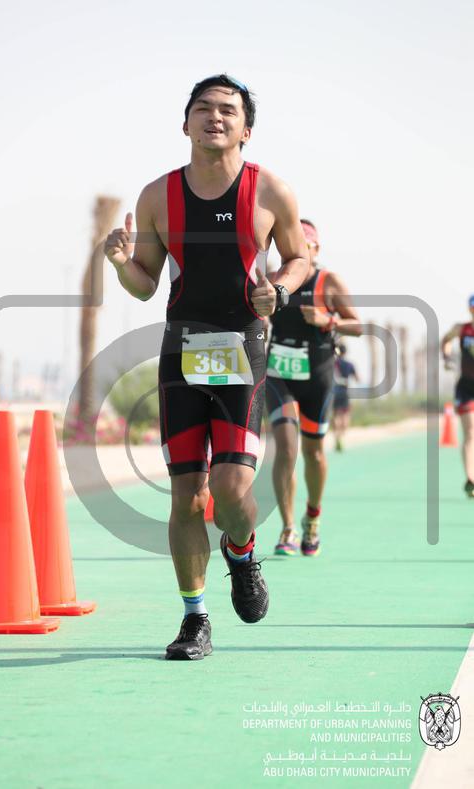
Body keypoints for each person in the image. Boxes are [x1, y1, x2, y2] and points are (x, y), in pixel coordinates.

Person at [105, 74, 310, 660]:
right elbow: (145, 283)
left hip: (244, 346)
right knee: (187, 497)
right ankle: (195, 618)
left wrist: (280, 289)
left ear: (246, 129)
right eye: (203, 109)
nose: (214, 117)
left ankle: (241, 553)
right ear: (185, 123)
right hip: (182, 352)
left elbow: (297, 258)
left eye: (227, 110)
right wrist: (121, 263)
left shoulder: (270, 191)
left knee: (231, 488)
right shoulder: (157, 195)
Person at [266, 219, 361, 557]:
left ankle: (313, 517)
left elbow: (358, 325)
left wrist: (327, 320)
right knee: (285, 447)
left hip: (317, 376)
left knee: (314, 452)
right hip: (279, 373)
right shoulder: (273, 280)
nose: (296, 249)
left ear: (315, 249)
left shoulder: (328, 282)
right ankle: (288, 527)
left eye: (304, 244)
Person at [441, 296, 474, 498]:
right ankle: (470, 479)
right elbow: (446, 340)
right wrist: (446, 357)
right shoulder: (461, 329)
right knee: (470, 432)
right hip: (466, 388)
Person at [332, 343, 359, 451]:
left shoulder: (333, 364)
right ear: (346, 352)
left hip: (334, 392)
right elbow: (357, 379)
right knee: (345, 415)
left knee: (336, 415)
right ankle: (341, 437)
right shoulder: (349, 364)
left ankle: (337, 438)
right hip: (344, 392)